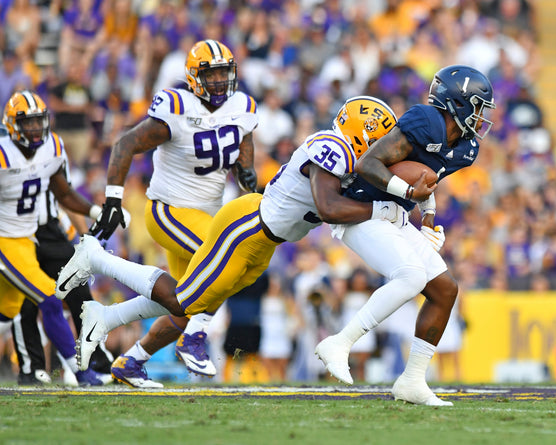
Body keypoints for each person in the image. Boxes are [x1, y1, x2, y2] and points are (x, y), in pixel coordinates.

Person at [55, 95, 406, 379]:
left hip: (266, 241)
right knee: (183, 300)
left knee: (187, 297)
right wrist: (382, 210)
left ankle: (123, 346)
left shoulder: (348, 155)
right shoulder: (335, 147)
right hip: (246, 227)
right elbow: (330, 207)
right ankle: (96, 259)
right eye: (381, 141)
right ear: (363, 134)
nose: (384, 150)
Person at [315, 65, 496, 406]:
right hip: (360, 211)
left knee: (445, 289)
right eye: (477, 105)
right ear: (455, 102)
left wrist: (427, 217)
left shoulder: (466, 147)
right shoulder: (425, 120)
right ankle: (340, 342)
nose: (481, 115)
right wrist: (408, 194)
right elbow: (368, 164)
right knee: (411, 275)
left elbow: (427, 177)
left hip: (395, 214)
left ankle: (412, 381)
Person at [86, 39, 259, 388]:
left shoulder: (242, 104)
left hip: (207, 215)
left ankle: (130, 361)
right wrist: (114, 200)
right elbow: (125, 144)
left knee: (183, 305)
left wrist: (246, 171)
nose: (220, 82)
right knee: (229, 257)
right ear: (195, 77)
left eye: (225, 73)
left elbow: (243, 139)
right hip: (170, 210)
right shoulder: (177, 107)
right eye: (212, 75)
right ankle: (195, 338)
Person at [0, 90, 110, 386]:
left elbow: (62, 192)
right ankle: (83, 373)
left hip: (26, 240)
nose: (35, 129)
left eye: (39, 121)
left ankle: (89, 364)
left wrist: (94, 210)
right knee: (49, 299)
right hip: (3, 240)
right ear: (12, 125)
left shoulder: (53, 147)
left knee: (7, 312)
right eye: (28, 123)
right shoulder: (2, 153)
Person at [11, 187, 114, 385]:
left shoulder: (55, 155)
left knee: (79, 291)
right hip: (16, 232)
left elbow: (65, 193)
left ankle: (96, 360)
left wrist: (86, 235)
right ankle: (32, 368)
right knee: (25, 301)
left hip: (50, 230)